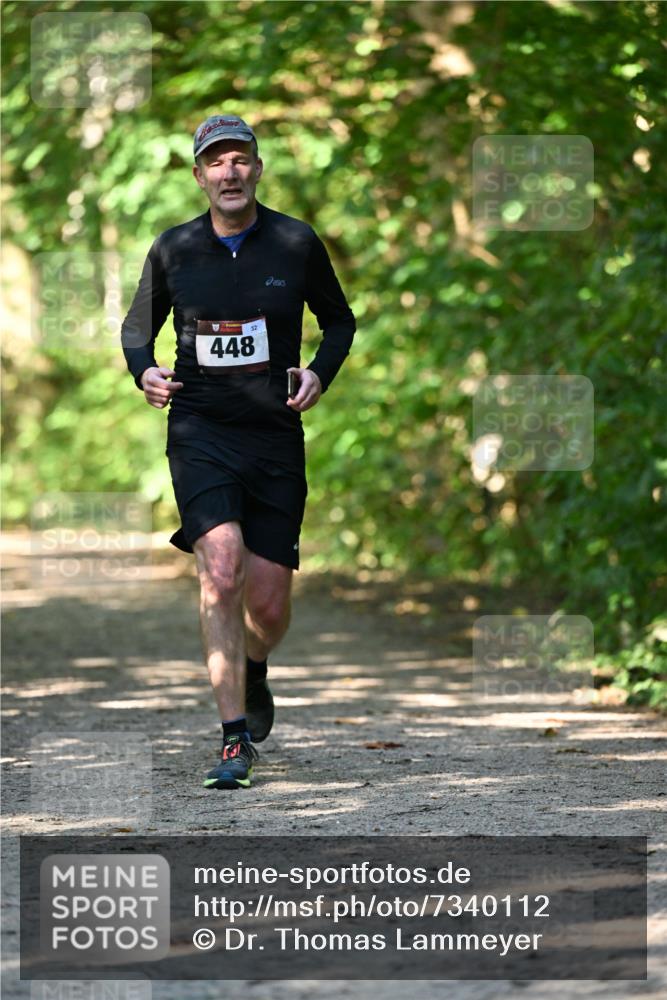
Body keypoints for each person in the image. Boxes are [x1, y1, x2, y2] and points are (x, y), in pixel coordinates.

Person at [121, 114, 355, 791]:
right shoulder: (174, 248)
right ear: (198, 176)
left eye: (240, 160)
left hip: (274, 434)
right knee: (220, 569)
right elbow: (138, 327)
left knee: (271, 604)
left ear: (256, 169)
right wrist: (145, 371)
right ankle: (231, 742)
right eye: (215, 162)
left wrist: (319, 370)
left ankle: (254, 667)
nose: (229, 172)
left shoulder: (294, 242)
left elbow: (338, 320)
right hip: (200, 430)